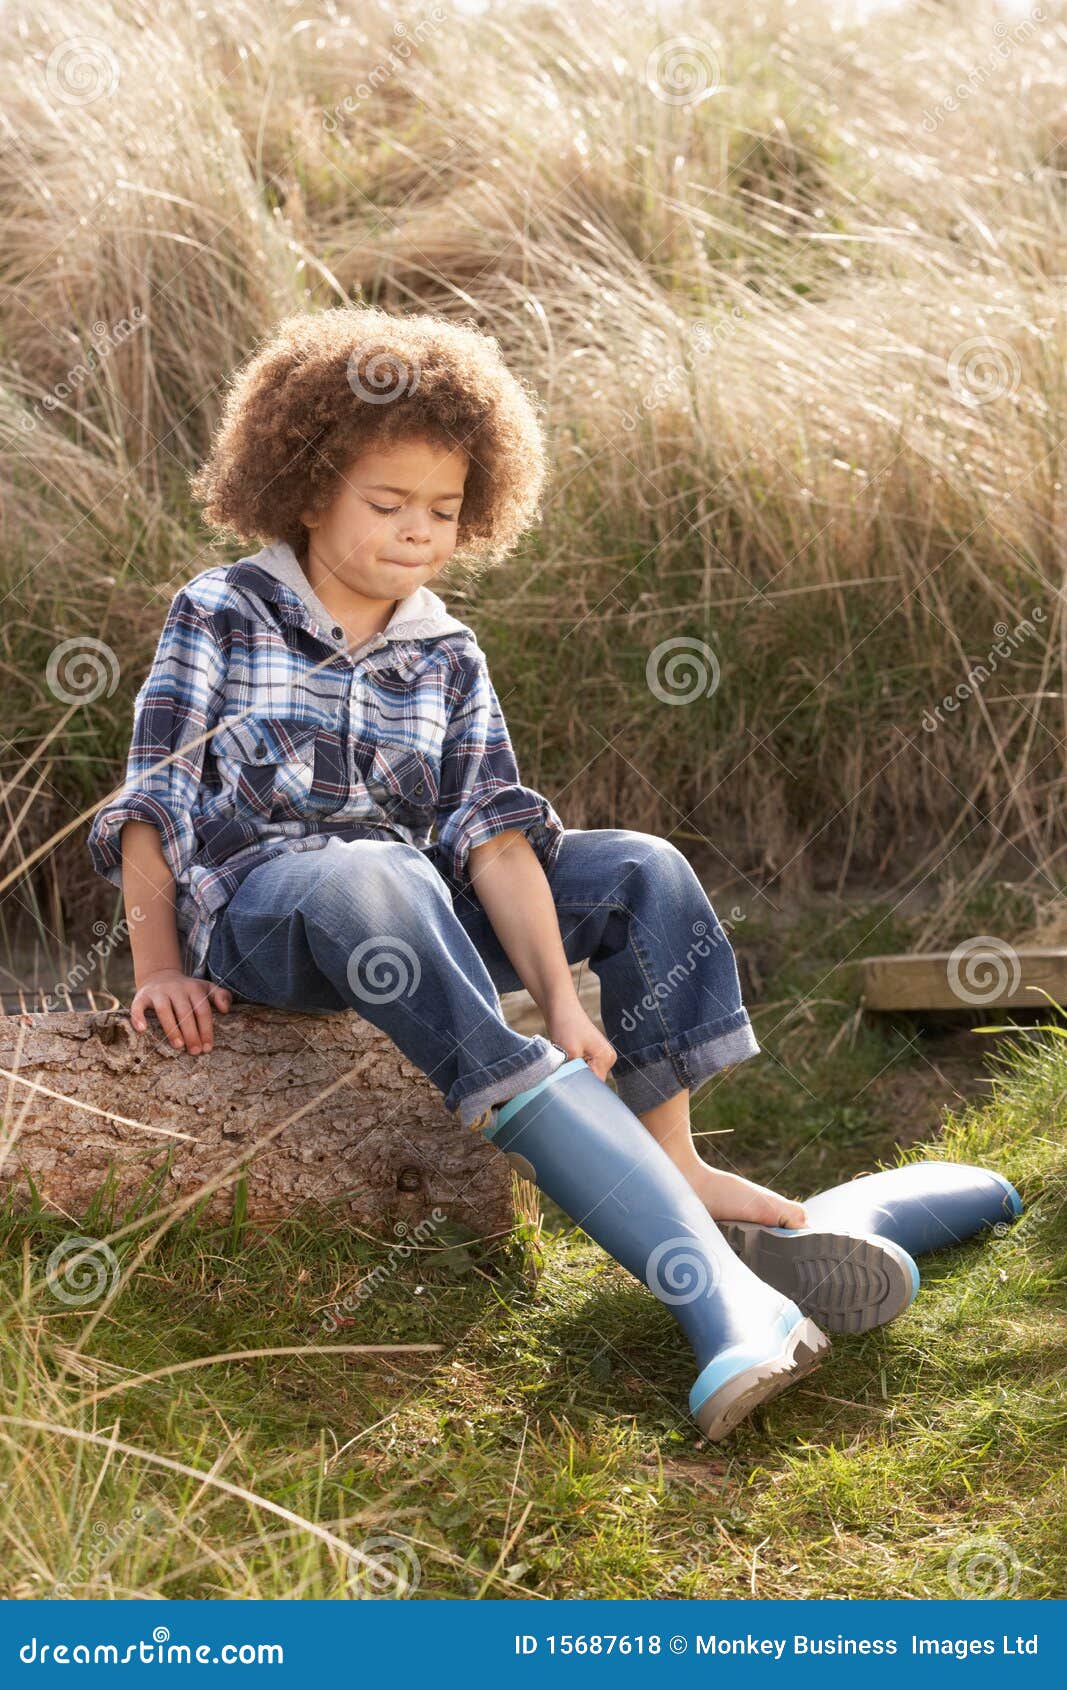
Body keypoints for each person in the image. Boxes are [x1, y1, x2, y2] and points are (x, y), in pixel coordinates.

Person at [86, 306, 868, 1438]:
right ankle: (692, 1272)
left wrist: (561, 1002)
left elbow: (493, 838)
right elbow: (152, 799)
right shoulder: (219, 610)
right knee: (367, 872)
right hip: (268, 916)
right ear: (306, 491)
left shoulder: (448, 653)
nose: (417, 532)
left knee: (637, 871)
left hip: (415, 905)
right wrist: (156, 964)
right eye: (386, 504)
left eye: (443, 512)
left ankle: (673, 1162)